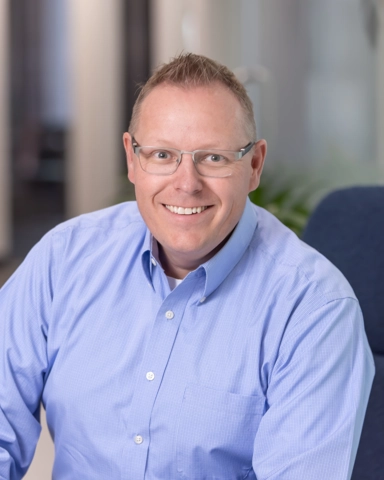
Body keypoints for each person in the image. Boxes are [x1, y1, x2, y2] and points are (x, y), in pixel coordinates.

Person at [0, 53, 374, 480]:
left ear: (253, 166)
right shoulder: (65, 259)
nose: (186, 183)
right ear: (132, 158)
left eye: (213, 158)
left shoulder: (314, 309)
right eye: (162, 154)